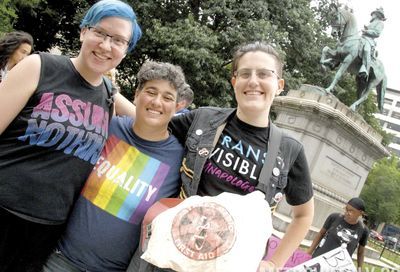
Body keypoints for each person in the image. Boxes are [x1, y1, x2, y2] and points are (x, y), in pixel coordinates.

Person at [123, 41, 314, 272]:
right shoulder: (203, 119)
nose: (253, 81)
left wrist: (274, 263)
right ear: (234, 82)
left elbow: (303, 215)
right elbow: (151, 123)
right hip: (166, 256)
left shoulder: (290, 150)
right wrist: (110, 94)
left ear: (279, 84)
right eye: (245, 74)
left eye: (264, 74)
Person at [0, 0, 141, 271]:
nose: (105, 45)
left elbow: (149, 122)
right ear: (83, 32)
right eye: (99, 33)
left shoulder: (109, 97)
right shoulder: (39, 66)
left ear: (126, 50)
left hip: (47, 229)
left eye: (118, 40)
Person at [42, 61, 186, 272]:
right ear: (136, 94)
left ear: (178, 106)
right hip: (59, 258)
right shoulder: (106, 126)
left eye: (167, 97)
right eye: (151, 92)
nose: (157, 102)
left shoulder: (180, 160)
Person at [306, 197, 369, 270]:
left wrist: (359, 269)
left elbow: (360, 252)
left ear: (360, 213)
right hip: (319, 260)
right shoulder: (334, 217)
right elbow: (321, 234)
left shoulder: (364, 230)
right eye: (347, 209)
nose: (347, 213)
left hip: (338, 267)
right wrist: (309, 251)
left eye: (351, 211)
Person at [359, 7, 386, 79]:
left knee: (366, 50)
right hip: (362, 37)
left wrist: (366, 31)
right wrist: (366, 28)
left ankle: (365, 70)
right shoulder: (372, 23)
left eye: (373, 14)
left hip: (369, 40)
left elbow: (377, 33)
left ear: (377, 15)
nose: (372, 15)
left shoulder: (380, 23)